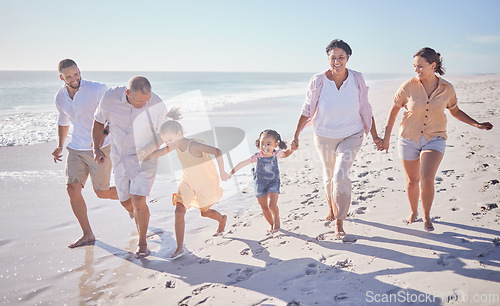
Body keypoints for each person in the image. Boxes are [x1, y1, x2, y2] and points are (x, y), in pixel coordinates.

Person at [381, 47, 493, 232]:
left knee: (426, 178)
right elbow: (393, 111)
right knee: (412, 180)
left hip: (435, 138)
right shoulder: (408, 86)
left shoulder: (447, 88)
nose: (416, 70)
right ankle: (413, 212)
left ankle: (426, 215)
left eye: (420, 66)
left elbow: (455, 110)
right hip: (408, 138)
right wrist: (386, 138)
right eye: (414, 66)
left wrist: (476, 124)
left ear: (433, 65)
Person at [291, 39, 383, 237]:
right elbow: (307, 108)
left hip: (352, 134)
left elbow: (366, 108)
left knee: (340, 175)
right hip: (324, 135)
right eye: (333, 58)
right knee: (328, 176)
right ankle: (332, 209)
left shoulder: (357, 79)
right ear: (328, 58)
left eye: (341, 57)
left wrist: (375, 136)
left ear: (348, 58)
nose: (337, 61)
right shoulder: (318, 81)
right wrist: (296, 135)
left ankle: (340, 221)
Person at [92, 76, 167, 257]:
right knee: (126, 201)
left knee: (139, 199)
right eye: (140, 101)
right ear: (128, 93)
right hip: (119, 156)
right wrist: (97, 148)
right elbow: (99, 122)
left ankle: (143, 244)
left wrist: (150, 149)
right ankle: (136, 215)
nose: (144, 104)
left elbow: (163, 133)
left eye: (146, 100)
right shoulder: (110, 98)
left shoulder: (157, 105)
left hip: (145, 158)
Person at [52, 59, 123, 248]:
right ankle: (88, 234)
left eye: (76, 74)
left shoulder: (97, 89)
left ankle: (131, 197)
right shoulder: (60, 97)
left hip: (100, 147)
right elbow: (63, 120)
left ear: (79, 71)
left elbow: (112, 114)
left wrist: (102, 138)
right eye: (69, 76)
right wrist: (60, 145)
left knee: (102, 192)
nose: (74, 78)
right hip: (76, 148)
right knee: (72, 189)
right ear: (62, 77)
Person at [141, 113, 230, 259]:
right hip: (187, 182)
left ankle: (222, 219)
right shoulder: (175, 145)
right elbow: (162, 151)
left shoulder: (193, 145)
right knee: (179, 211)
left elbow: (217, 151)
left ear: (179, 133)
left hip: (204, 184)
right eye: (165, 141)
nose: (168, 143)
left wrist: (222, 172)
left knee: (204, 212)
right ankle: (180, 247)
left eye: (170, 139)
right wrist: (148, 155)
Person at [230, 130, 295, 233]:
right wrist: (231, 172)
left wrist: (292, 149)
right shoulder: (257, 156)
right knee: (264, 208)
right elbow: (243, 163)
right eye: (262, 143)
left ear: (275, 144)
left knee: (271, 205)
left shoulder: (276, 154)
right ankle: (272, 224)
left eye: (268, 144)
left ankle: (276, 218)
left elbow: (286, 154)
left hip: (273, 182)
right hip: (260, 185)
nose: (265, 147)